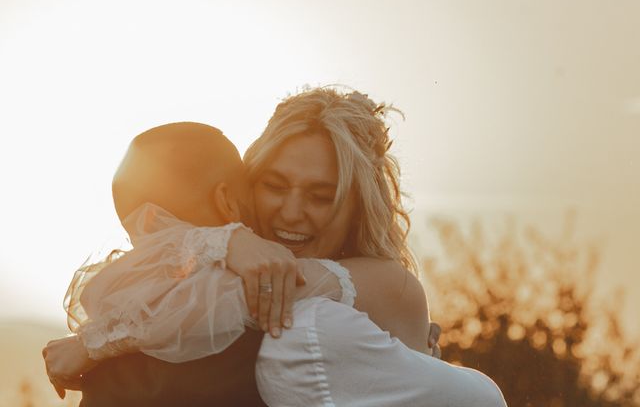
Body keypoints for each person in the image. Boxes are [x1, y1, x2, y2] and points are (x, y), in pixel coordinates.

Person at [44, 87, 506, 406]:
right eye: (273, 185)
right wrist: (226, 241)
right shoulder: (222, 264)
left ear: (356, 206)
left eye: (321, 196)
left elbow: (228, 299)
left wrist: (92, 344)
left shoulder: (386, 283)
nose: (290, 211)